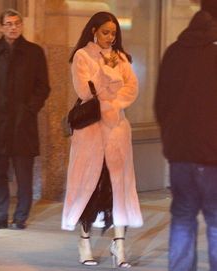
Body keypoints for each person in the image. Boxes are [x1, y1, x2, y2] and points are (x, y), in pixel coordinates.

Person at [61, 11, 143, 268]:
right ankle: (84, 241)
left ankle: (119, 246)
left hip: (117, 131)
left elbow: (132, 87)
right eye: (106, 32)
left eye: (114, 33)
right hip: (91, 134)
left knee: (120, 190)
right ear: (94, 30)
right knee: (89, 188)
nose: (110, 37)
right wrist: (108, 74)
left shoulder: (122, 58)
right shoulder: (82, 56)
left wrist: (114, 101)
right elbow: (85, 90)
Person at [154, 1, 217, 270]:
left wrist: (172, 137)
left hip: (180, 156)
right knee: (215, 220)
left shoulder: (173, 53)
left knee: (182, 217)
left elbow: (161, 105)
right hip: (213, 157)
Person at [0, 9, 50, 230]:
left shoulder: (34, 52)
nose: (13, 27)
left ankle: (20, 217)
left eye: (17, 23)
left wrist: (30, 109)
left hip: (23, 123)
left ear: (21, 26)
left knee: (24, 175)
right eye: (9, 24)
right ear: (1, 27)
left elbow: (43, 87)